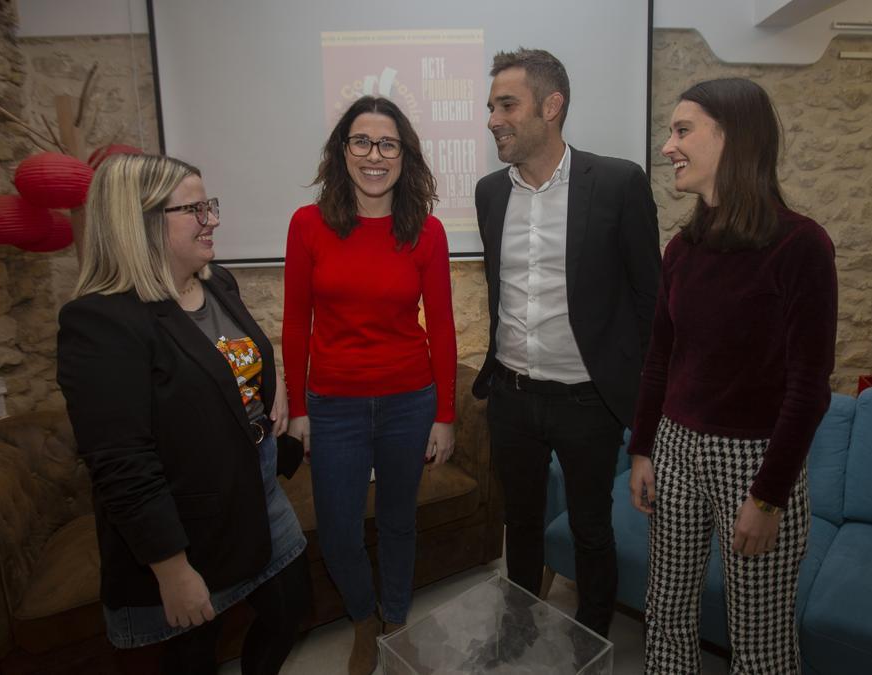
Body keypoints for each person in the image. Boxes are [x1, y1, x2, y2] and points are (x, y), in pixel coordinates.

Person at [56, 154, 311, 675]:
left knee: (289, 610)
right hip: (189, 521)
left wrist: (273, 379)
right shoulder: (101, 322)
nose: (211, 218)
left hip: (257, 487)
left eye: (208, 204)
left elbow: (231, 359)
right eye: (194, 208)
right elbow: (122, 463)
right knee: (194, 649)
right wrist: (171, 570)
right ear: (141, 221)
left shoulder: (218, 284)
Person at [628, 77, 838, 674]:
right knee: (665, 614)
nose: (668, 146)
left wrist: (768, 498)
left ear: (733, 137)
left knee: (760, 638)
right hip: (673, 446)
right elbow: (660, 362)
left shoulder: (801, 246)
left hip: (756, 460)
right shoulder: (683, 249)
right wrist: (642, 449)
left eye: (682, 130)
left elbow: (808, 388)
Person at [472, 48, 661, 638]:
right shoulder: (489, 193)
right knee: (521, 520)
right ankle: (519, 626)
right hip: (510, 393)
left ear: (551, 107)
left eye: (507, 105)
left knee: (590, 527)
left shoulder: (617, 183)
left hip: (586, 400)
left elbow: (650, 305)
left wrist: (649, 420)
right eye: (490, 106)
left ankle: (592, 637)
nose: (493, 119)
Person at [281, 95, 456, 675]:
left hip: (411, 401)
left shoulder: (427, 231)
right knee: (336, 532)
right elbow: (294, 322)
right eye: (362, 142)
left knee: (401, 520)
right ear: (343, 151)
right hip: (334, 408)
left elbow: (445, 329)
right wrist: (300, 407)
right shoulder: (308, 225)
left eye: (388, 144)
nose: (374, 155)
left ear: (404, 156)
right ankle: (364, 618)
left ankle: (397, 619)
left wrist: (445, 415)